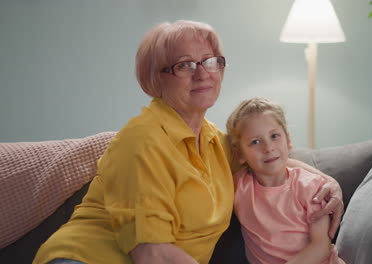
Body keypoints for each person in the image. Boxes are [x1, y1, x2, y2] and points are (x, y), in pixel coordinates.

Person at [33, 20, 343, 264]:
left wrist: (328, 182)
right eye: (184, 65)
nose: (202, 74)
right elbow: (151, 254)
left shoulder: (213, 141)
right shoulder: (142, 140)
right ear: (157, 77)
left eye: (210, 61)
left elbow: (271, 158)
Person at [226, 97, 346, 264]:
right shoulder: (239, 187)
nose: (268, 148)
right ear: (239, 154)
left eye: (274, 136)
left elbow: (321, 246)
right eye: (255, 142)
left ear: (288, 140)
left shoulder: (311, 187)